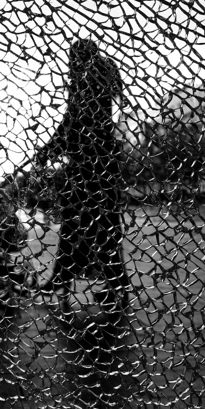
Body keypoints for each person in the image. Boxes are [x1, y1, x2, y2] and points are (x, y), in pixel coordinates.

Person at [37, 39, 130, 318]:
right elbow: (76, 122)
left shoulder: (87, 84)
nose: (70, 66)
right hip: (101, 166)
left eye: (72, 60)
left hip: (88, 169)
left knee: (83, 225)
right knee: (99, 227)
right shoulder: (102, 80)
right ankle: (106, 282)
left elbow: (73, 122)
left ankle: (69, 278)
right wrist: (52, 148)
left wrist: (49, 150)